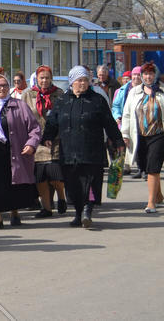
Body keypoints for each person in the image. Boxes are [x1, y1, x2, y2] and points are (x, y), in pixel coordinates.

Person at [43, 66, 125, 228]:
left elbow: (109, 123)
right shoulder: (62, 101)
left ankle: (88, 210)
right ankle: (78, 213)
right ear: (72, 82)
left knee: (91, 181)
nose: (82, 83)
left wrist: (118, 141)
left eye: (85, 80)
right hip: (68, 151)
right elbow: (52, 122)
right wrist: (48, 137)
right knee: (73, 184)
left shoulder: (97, 100)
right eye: (79, 80)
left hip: (91, 150)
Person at [0, 75, 41, 229]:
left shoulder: (19, 105)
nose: (2, 88)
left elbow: (34, 128)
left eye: (5, 85)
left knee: (13, 183)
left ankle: (14, 212)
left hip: (14, 151)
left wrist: (31, 144)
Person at [20, 66, 67, 218]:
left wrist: (55, 135)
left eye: (47, 77)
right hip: (36, 139)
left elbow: (63, 117)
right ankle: (46, 208)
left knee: (56, 175)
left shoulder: (59, 94)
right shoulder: (28, 94)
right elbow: (23, 116)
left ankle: (61, 198)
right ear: (37, 79)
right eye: (42, 78)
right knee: (40, 177)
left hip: (55, 139)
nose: (44, 81)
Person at [119, 62, 164, 213]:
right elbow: (126, 113)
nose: (148, 77)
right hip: (139, 135)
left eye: (151, 74)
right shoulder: (134, 92)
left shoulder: (162, 90)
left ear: (155, 75)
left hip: (158, 134)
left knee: (153, 167)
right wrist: (125, 134)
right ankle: (158, 195)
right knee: (144, 166)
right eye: (145, 74)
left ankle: (151, 202)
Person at [114, 66, 143, 177]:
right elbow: (116, 105)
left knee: (139, 144)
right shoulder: (123, 89)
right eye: (134, 75)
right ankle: (125, 166)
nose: (136, 77)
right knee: (123, 143)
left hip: (139, 122)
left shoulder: (145, 89)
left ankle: (142, 168)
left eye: (138, 75)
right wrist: (117, 117)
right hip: (124, 120)